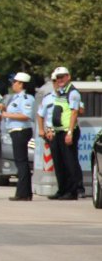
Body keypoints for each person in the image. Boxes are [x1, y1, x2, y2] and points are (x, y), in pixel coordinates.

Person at [46, 66, 83, 200]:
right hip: (58, 132)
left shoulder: (73, 93)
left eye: (62, 77)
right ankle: (62, 189)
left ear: (68, 77)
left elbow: (74, 113)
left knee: (70, 162)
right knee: (59, 163)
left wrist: (70, 133)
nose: (60, 80)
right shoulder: (61, 92)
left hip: (68, 132)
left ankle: (72, 191)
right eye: (58, 78)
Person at [0, 72, 35, 201]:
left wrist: (6, 114)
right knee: (21, 162)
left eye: (15, 82)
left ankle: (22, 193)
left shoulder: (26, 98)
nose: (13, 85)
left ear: (21, 84)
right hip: (16, 131)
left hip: (21, 131)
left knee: (21, 162)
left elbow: (26, 115)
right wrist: (5, 108)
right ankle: (26, 192)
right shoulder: (16, 98)